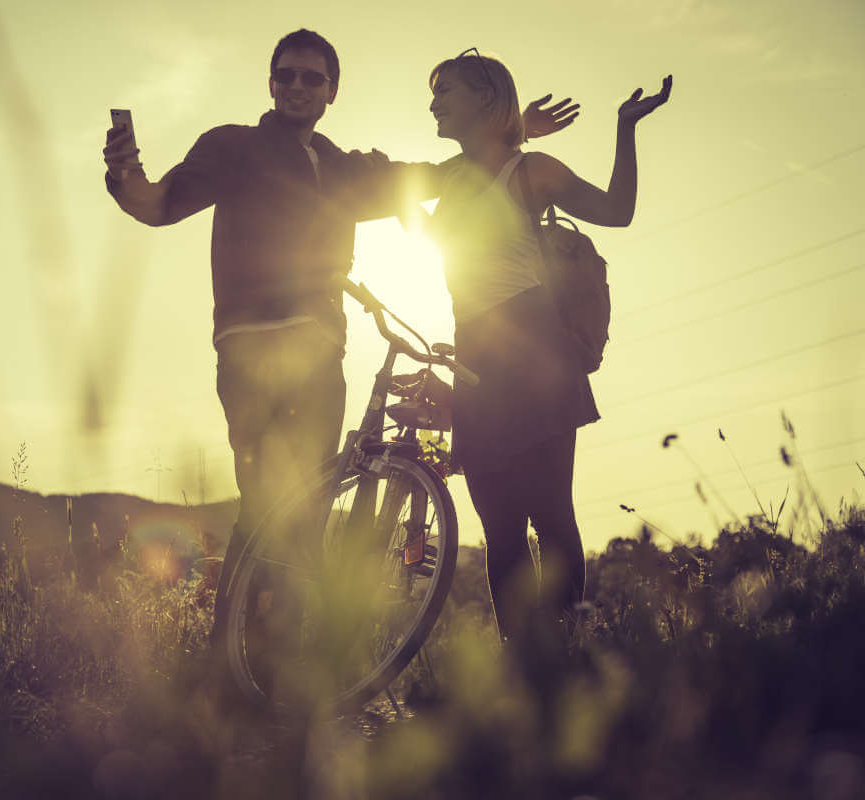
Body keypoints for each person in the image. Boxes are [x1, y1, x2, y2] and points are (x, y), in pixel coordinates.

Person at [102, 30, 579, 652]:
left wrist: (511, 134)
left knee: (300, 506)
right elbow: (156, 204)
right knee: (263, 499)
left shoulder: (347, 170)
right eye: (286, 76)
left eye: (312, 78)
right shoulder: (232, 146)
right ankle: (232, 658)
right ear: (271, 84)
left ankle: (271, 663)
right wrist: (123, 169)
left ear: (331, 91)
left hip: (319, 352)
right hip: (248, 347)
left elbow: (438, 175)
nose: (298, 86)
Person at [421, 49, 671, 640]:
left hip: (535, 351)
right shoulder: (449, 179)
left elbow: (617, 210)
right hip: (474, 358)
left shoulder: (530, 172)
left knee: (550, 515)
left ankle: (569, 654)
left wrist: (625, 128)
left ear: (484, 98)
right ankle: (526, 666)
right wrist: (515, 125)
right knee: (501, 527)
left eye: (444, 91)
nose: (433, 104)